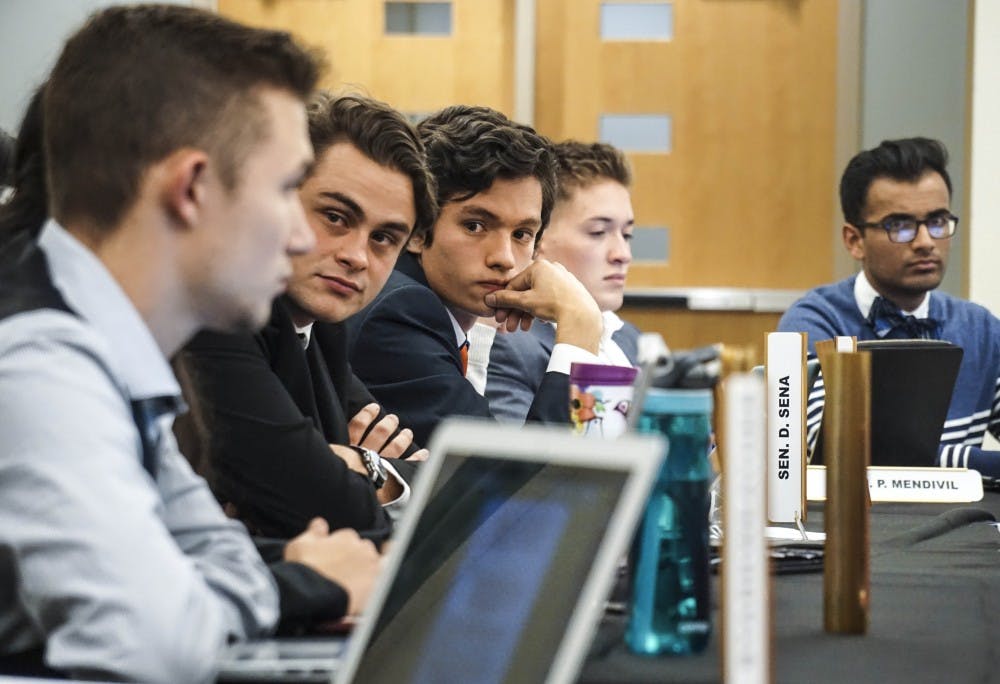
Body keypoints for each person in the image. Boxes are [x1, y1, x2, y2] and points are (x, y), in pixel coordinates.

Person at [0, 6, 376, 681]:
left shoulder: (108, 345)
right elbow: (153, 638)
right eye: (288, 189)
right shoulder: (36, 361)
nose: (298, 237)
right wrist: (306, 583)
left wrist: (231, 589)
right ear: (193, 187)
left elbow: (214, 554)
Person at [174, 91, 437, 541]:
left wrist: (357, 464)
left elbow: (437, 485)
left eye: (384, 238)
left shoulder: (324, 326)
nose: (356, 256)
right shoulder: (217, 313)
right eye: (335, 217)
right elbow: (315, 501)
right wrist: (369, 469)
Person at [346, 105, 604, 445]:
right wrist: (579, 336)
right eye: (475, 226)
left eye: (522, 234)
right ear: (418, 229)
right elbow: (514, 485)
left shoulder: (430, 310)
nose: (504, 258)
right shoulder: (399, 313)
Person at [777, 137, 1000, 475]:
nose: (926, 242)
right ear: (854, 241)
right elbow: (842, 452)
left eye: (938, 221)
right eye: (901, 226)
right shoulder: (815, 322)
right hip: (855, 523)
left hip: (961, 525)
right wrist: (976, 464)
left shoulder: (979, 328)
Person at [483, 140, 640, 423]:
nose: (622, 254)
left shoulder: (628, 338)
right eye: (598, 232)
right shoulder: (511, 346)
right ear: (537, 240)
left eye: (626, 235)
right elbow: (522, 464)